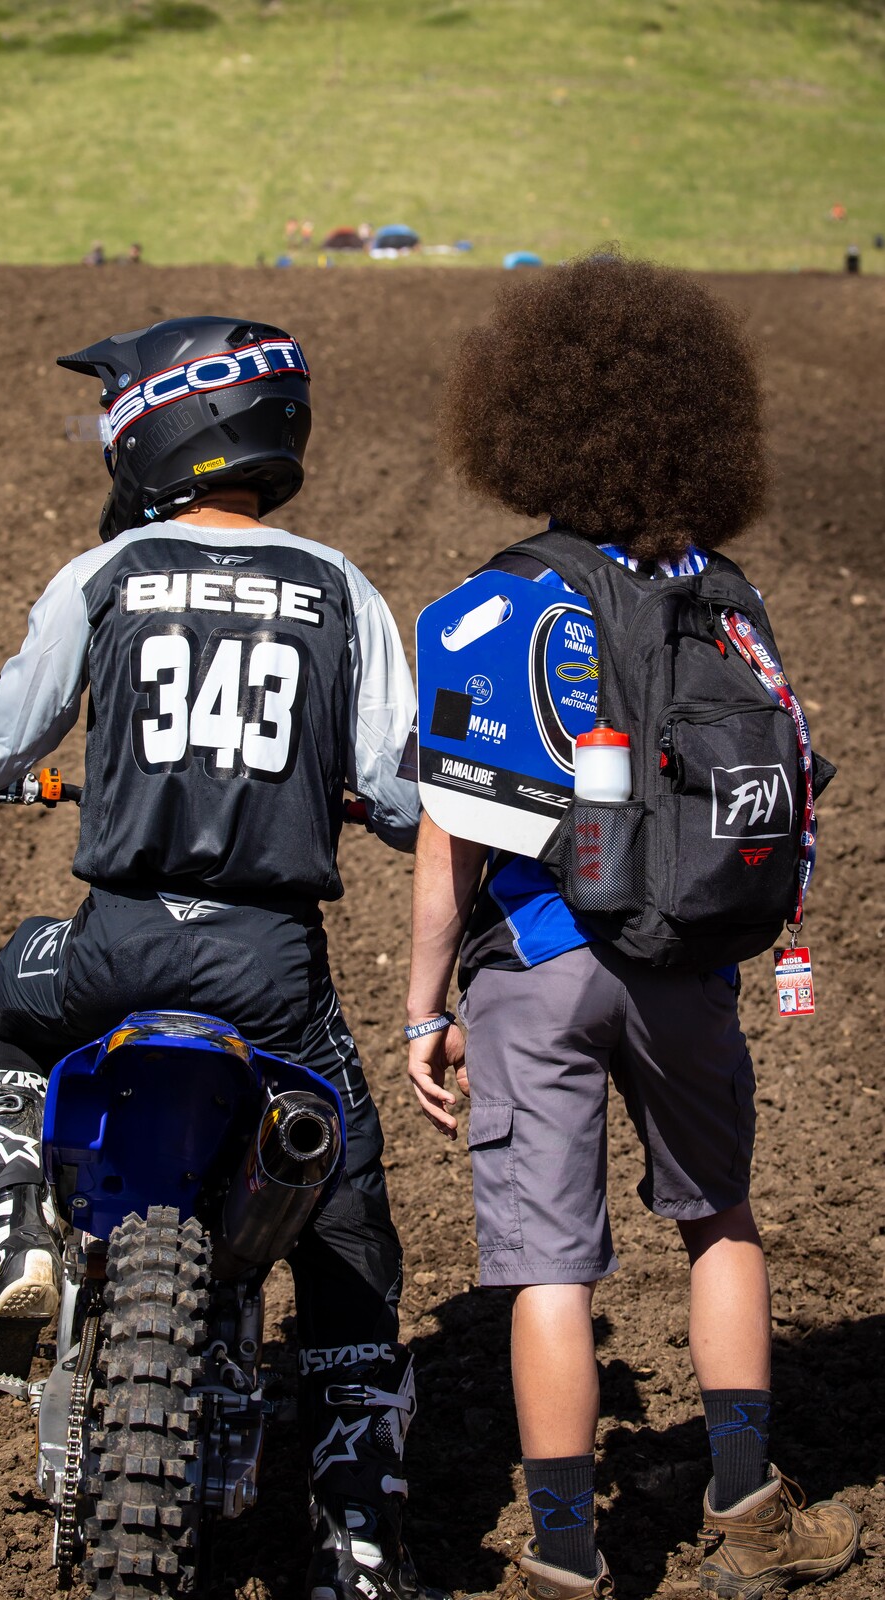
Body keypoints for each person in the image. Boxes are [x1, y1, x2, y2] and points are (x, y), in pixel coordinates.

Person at [0, 315, 447, 1600]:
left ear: (153, 426)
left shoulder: (107, 573)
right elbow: (397, 791)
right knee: (347, 1214)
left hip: (116, 950)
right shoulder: (339, 587)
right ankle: (357, 1538)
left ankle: (16, 1238)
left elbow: (5, 736)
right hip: (273, 975)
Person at [404, 257, 859, 1600]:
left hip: (539, 964)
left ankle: (562, 1558)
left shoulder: (499, 603)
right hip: (690, 966)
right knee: (718, 1220)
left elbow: (448, 835)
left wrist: (423, 1007)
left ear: (525, 423)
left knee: (549, 1269)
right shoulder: (728, 600)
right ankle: (748, 1516)